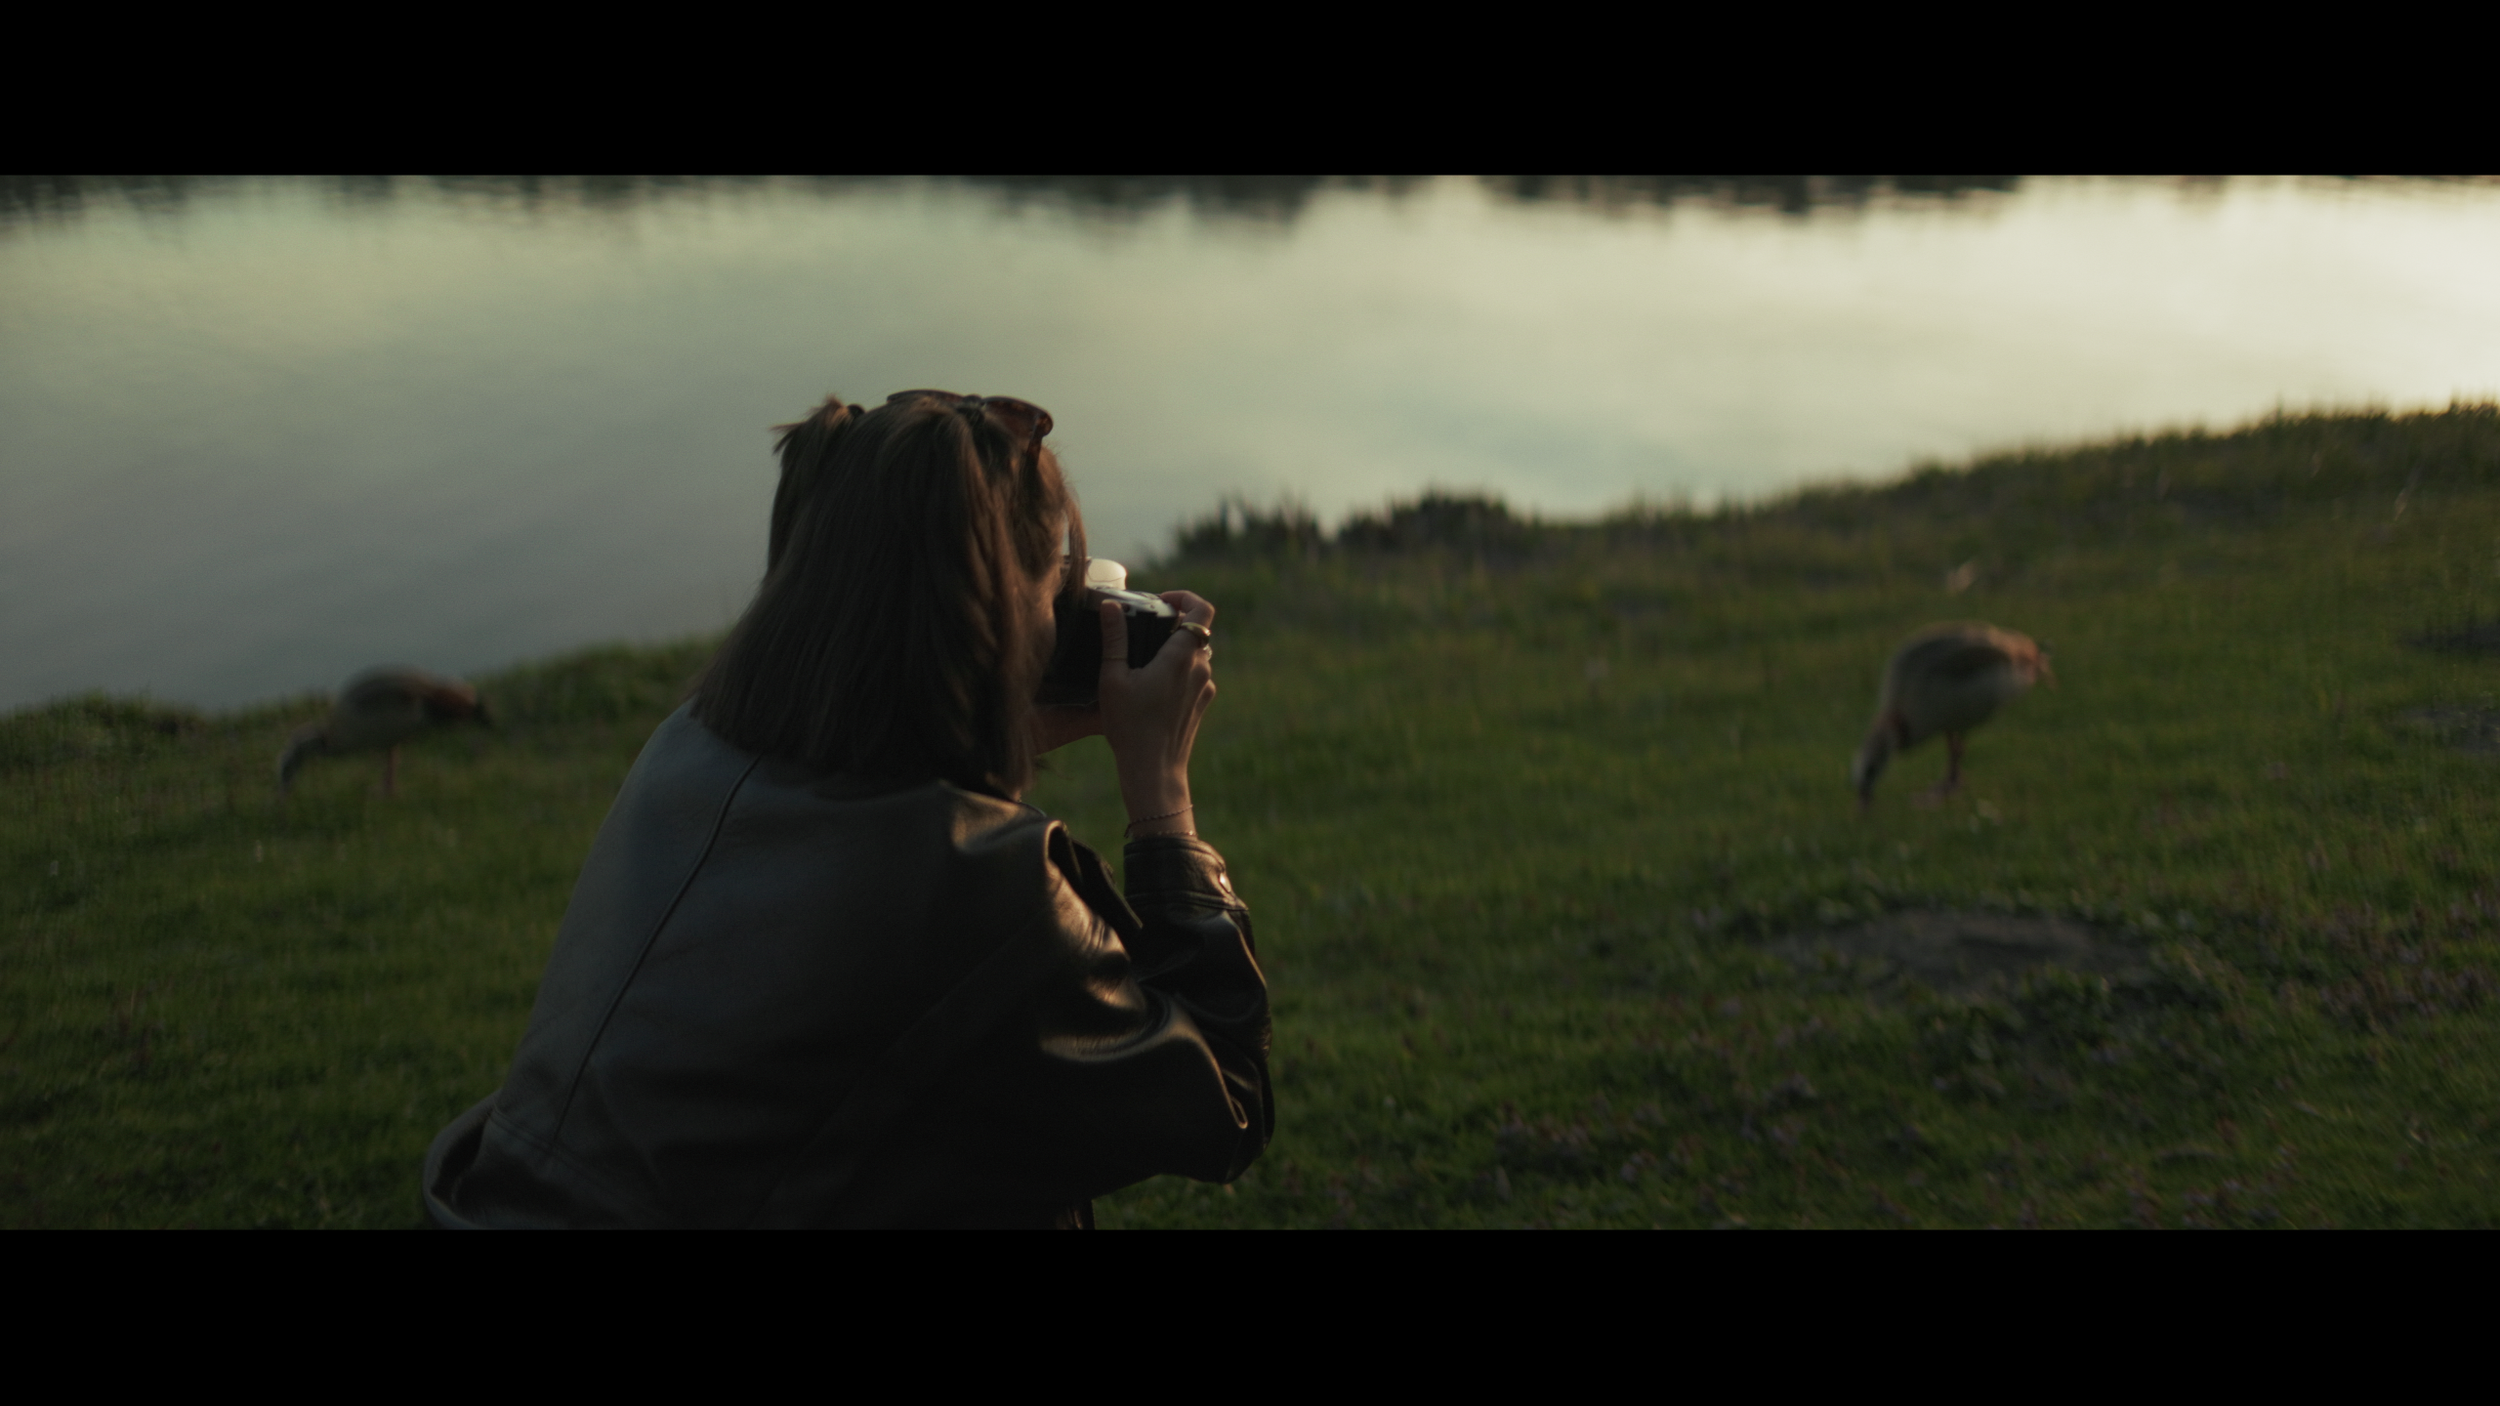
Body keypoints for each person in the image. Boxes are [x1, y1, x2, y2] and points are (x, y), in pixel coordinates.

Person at [422, 390, 1270, 1227]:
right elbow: (1224, 1099)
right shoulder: (983, 881)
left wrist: (989, 731)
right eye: (1055, 587)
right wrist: (1160, 793)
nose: (1065, 617)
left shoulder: (682, 751)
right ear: (1001, 616)